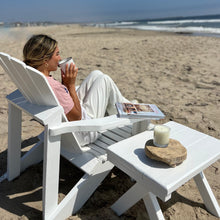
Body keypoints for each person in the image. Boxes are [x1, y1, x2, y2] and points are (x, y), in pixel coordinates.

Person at [23, 34, 129, 145]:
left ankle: (125, 104)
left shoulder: (35, 78)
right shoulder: (54, 87)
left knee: (96, 74)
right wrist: (71, 85)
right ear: (45, 60)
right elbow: (76, 118)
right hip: (83, 130)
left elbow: (62, 100)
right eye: (57, 54)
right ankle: (130, 110)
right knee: (105, 80)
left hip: (66, 122)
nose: (60, 58)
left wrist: (65, 84)